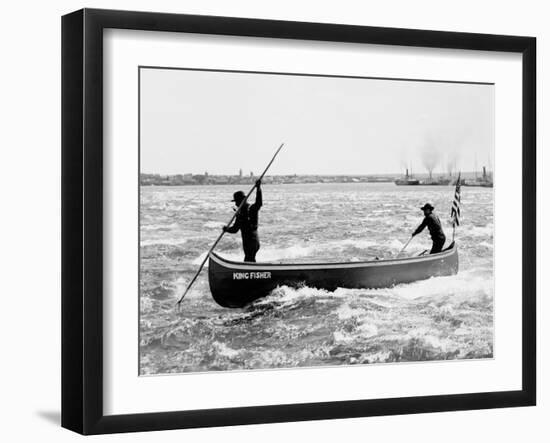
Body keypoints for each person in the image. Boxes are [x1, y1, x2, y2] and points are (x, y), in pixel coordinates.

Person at [223, 180, 262, 262]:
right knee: (249, 260)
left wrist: (258, 188)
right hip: (246, 243)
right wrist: (227, 229)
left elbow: (259, 203)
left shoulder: (251, 209)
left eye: (237, 202)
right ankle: (251, 271)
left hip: (253, 241)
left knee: (249, 259)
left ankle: (252, 272)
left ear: (243, 200)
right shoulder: (239, 214)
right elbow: (235, 229)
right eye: (236, 202)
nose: (236, 204)